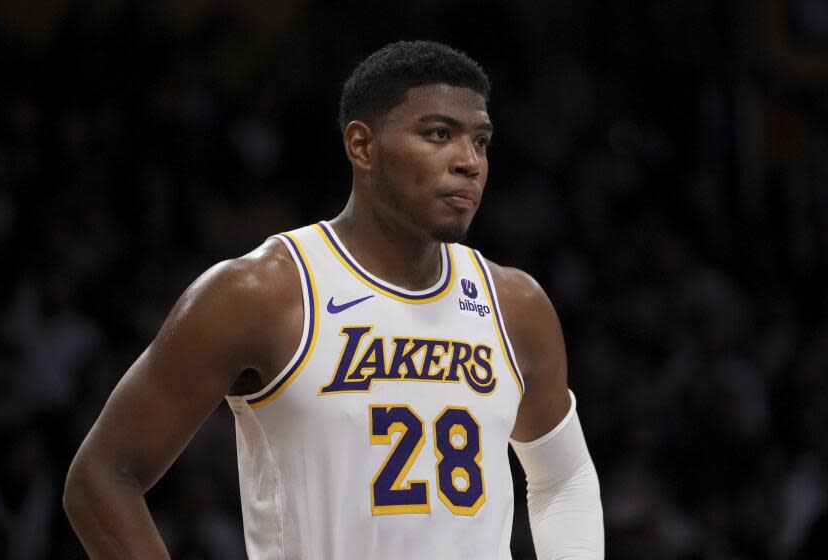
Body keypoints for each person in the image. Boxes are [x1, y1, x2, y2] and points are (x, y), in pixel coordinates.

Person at [63, 40, 604, 559]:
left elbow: (564, 479)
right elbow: (101, 478)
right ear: (362, 146)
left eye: (481, 141)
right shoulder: (261, 293)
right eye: (439, 134)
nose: (469, 161)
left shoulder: (516, 305)